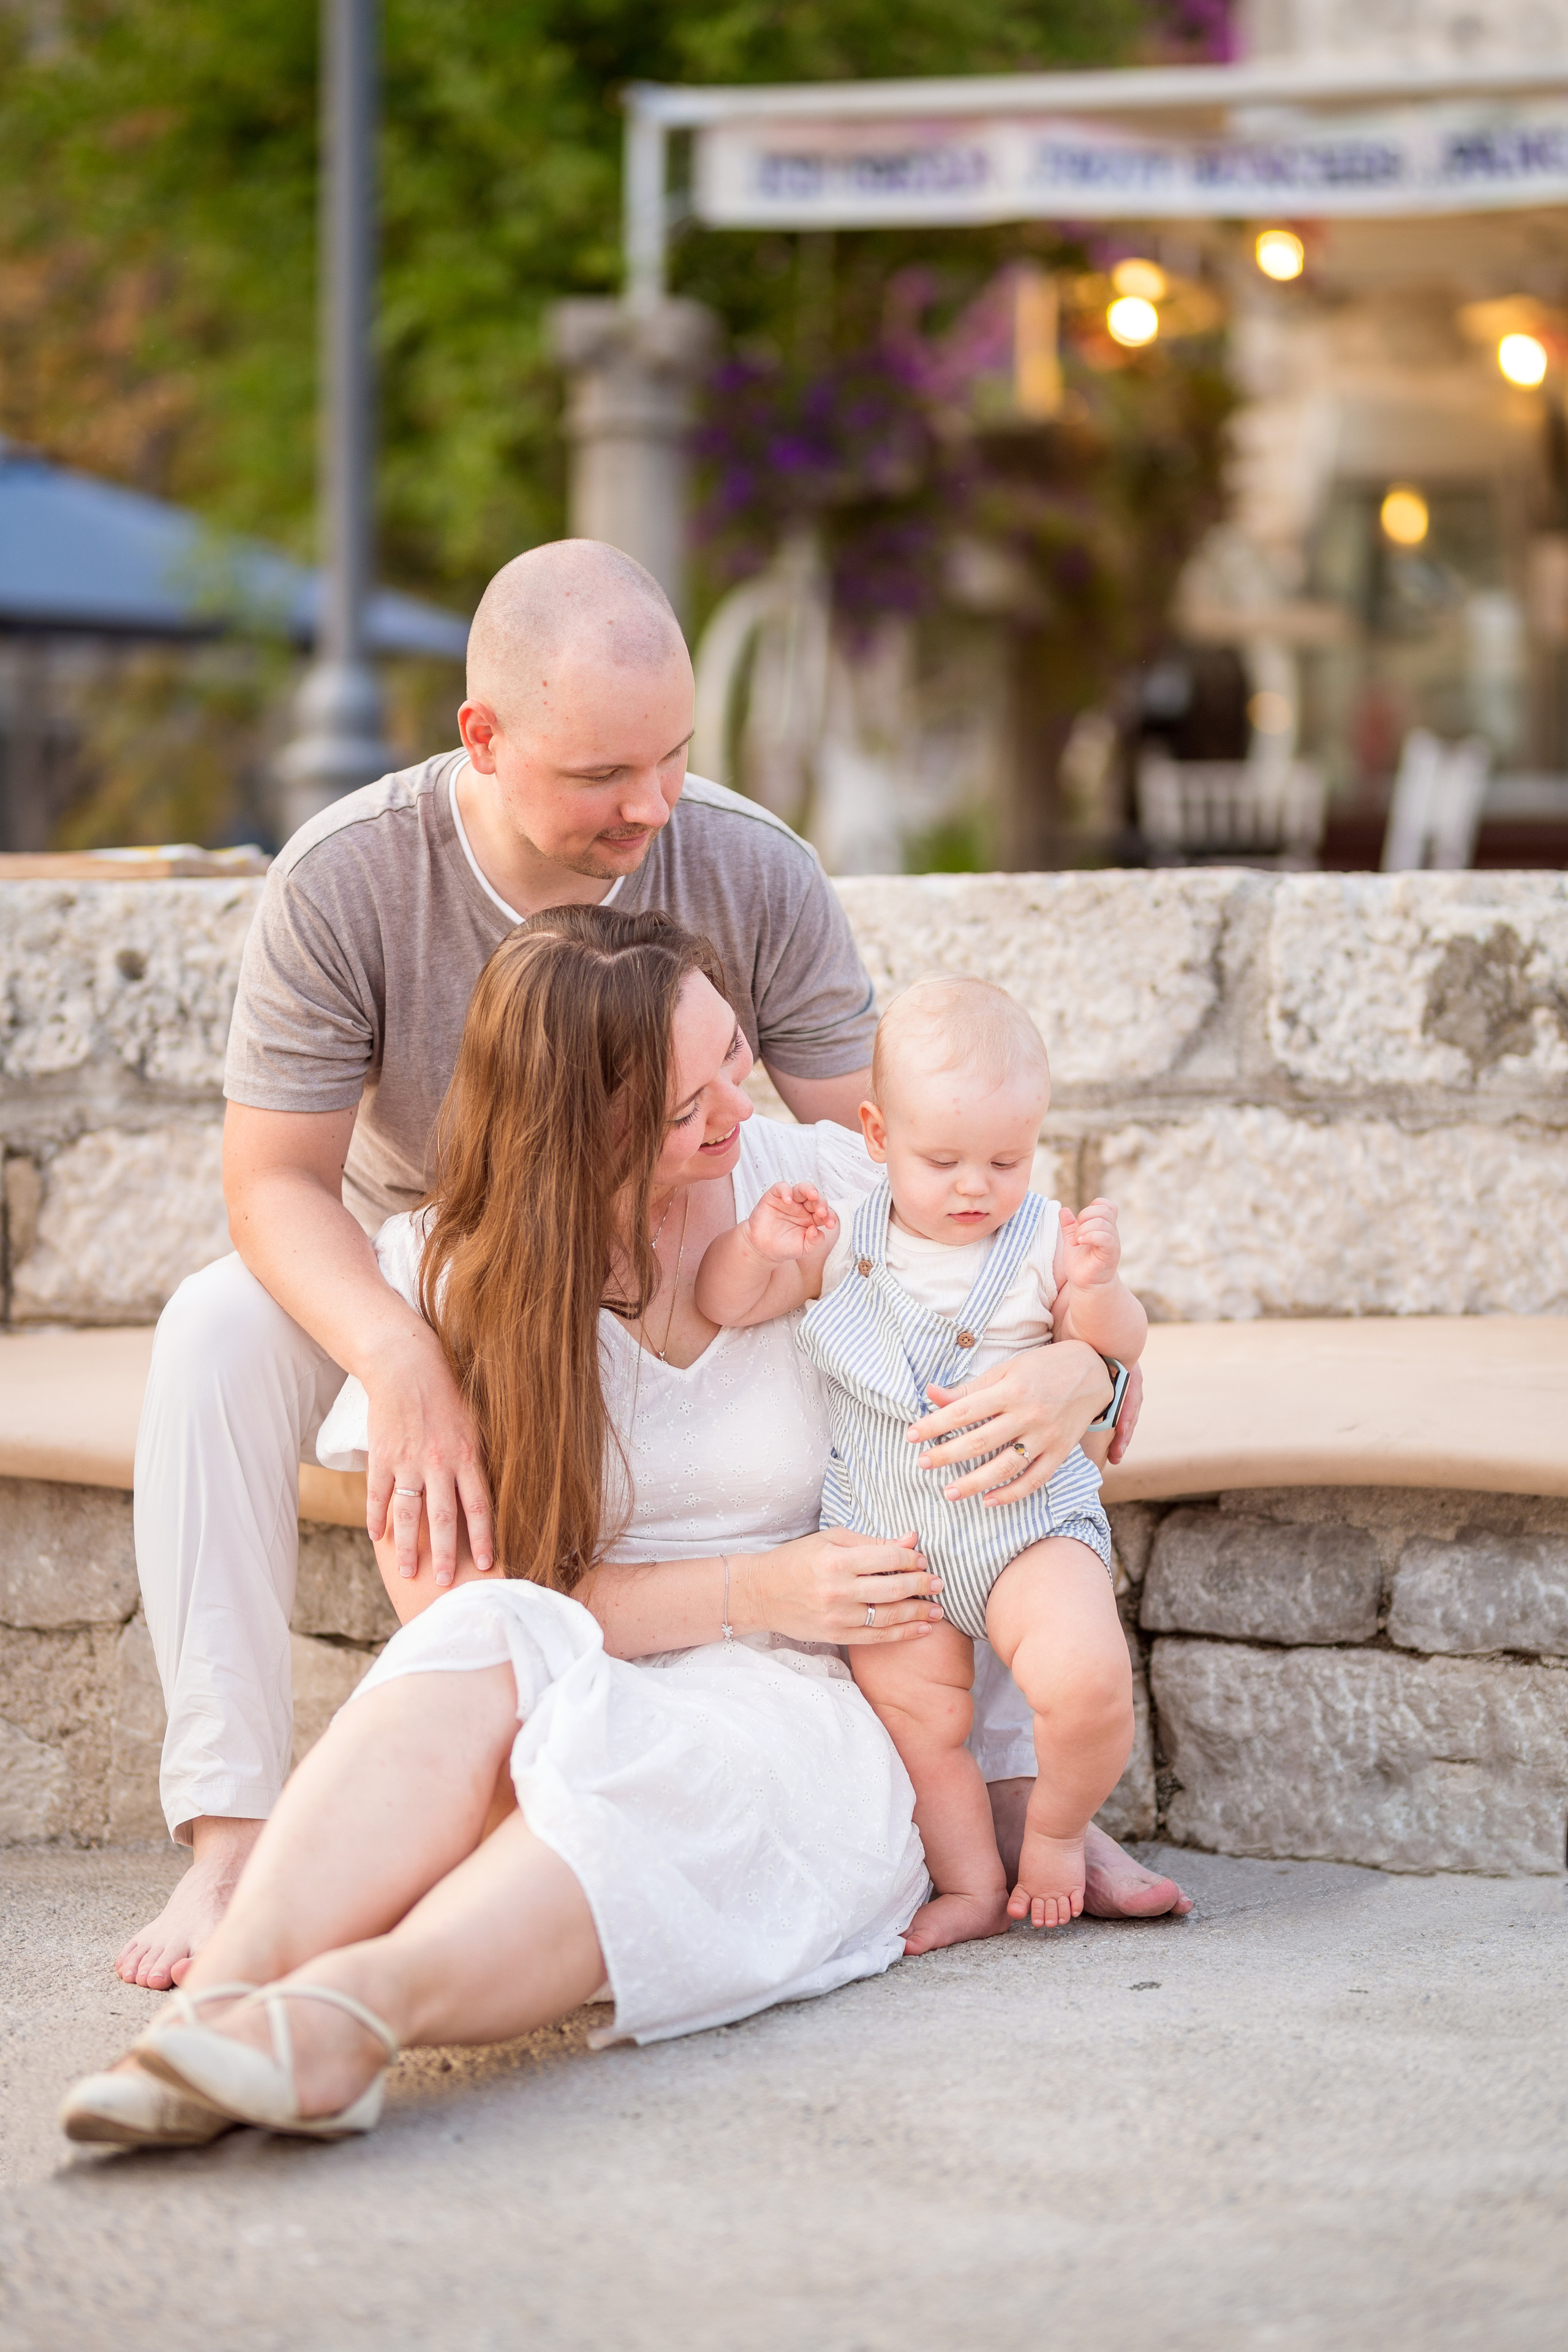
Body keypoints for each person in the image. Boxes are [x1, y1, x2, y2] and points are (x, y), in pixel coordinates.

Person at [119, 538, 1183, 1993]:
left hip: (685, 1239)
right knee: (210, 1333)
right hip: (419, 1260)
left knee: (941, 1390)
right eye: (605, 775)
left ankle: (1019, 1800)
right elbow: (273, 1186)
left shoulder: (744, 864)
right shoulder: (350, 882)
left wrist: (1085, 1350)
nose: (652, 806)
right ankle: (233, 1841)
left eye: (673, 758)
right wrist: (398, 1351)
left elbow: (906, 1180)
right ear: (481, 740)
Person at [64, 908, 959, 2147]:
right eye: (684, 1107)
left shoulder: (822, 1187)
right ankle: (210, 2020)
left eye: (733, 1059)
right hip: (606, 1661)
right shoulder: (437, 1271)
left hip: (797, 1707)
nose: (735, 1113)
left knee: (660, 1781)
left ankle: (338, 2023)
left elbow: (1032, 1271)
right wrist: (752, 1587)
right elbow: (450, 1615)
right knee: (487, 1622)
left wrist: (1087, 1379)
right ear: (579, 1126)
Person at [697, 976, 1148, 1951]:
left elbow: (1109, 1346)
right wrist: (757, 1244)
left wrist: (1103, 1288)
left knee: (1086, 1680)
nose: (976, 1186)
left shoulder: (1040, 1240)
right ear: (876, 1135)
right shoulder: (848, 1237)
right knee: (922, 1725)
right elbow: (727, 1303)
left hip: (1026, 1527)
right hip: (892, 1538)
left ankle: (1060, 1833)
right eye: (942, 1160)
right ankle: (973, 1882)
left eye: (1006, 1158)